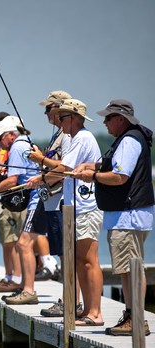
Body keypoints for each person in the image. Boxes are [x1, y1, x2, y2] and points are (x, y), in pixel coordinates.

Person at [74, 99, 154, 335]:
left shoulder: (129, 140)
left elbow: (120, 177)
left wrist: (93, 177)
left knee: (131, 269)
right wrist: (92, 166)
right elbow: (113, 165)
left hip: (127, 217)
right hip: (129, 215)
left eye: (108, 118)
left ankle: (135, 319)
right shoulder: (128, 139)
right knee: (129, 268)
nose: (105, 122)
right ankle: (133, 316)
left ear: (121, 118)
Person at [27, 99, 104, 325]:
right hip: (74, 207)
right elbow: (63, 170)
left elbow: (63, 169)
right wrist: (42, 179)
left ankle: (95, 313)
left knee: (89, 260)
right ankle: (86, 310)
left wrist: (40, 172)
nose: (59, 121)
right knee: (79, 260)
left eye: (63, 117)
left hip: (87, 206)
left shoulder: (83, 137)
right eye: (58, 117)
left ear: (76, 118)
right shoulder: (72, 139)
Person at [0, 116, 49, 305]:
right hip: (38, 198)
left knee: (23, 244)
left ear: (10, 134)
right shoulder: (26, 143)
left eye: (0, 139)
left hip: (37, 200)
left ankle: (28, 290)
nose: (0, 144)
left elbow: (12, 180)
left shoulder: (17, 146)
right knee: (23, 244)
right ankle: (26, 287)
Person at [29, 90, 82, 317]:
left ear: (59, 108)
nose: (45, 112)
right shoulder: (59, 135)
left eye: (48, 108)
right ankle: (68, 299)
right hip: (52, 200)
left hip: (61, 200)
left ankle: (71, 301)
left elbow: (63, 169)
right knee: (62, 252)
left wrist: (40, 163)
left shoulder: (68, 136)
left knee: (67, 253)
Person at [0, 112, 24, 293]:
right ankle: (10, 276)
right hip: (4, 199)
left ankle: (18, 277)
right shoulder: (1, 149)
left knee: (18, 241)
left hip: (18, 200)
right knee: (6, 241)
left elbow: (14, 178)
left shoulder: (17, 147)